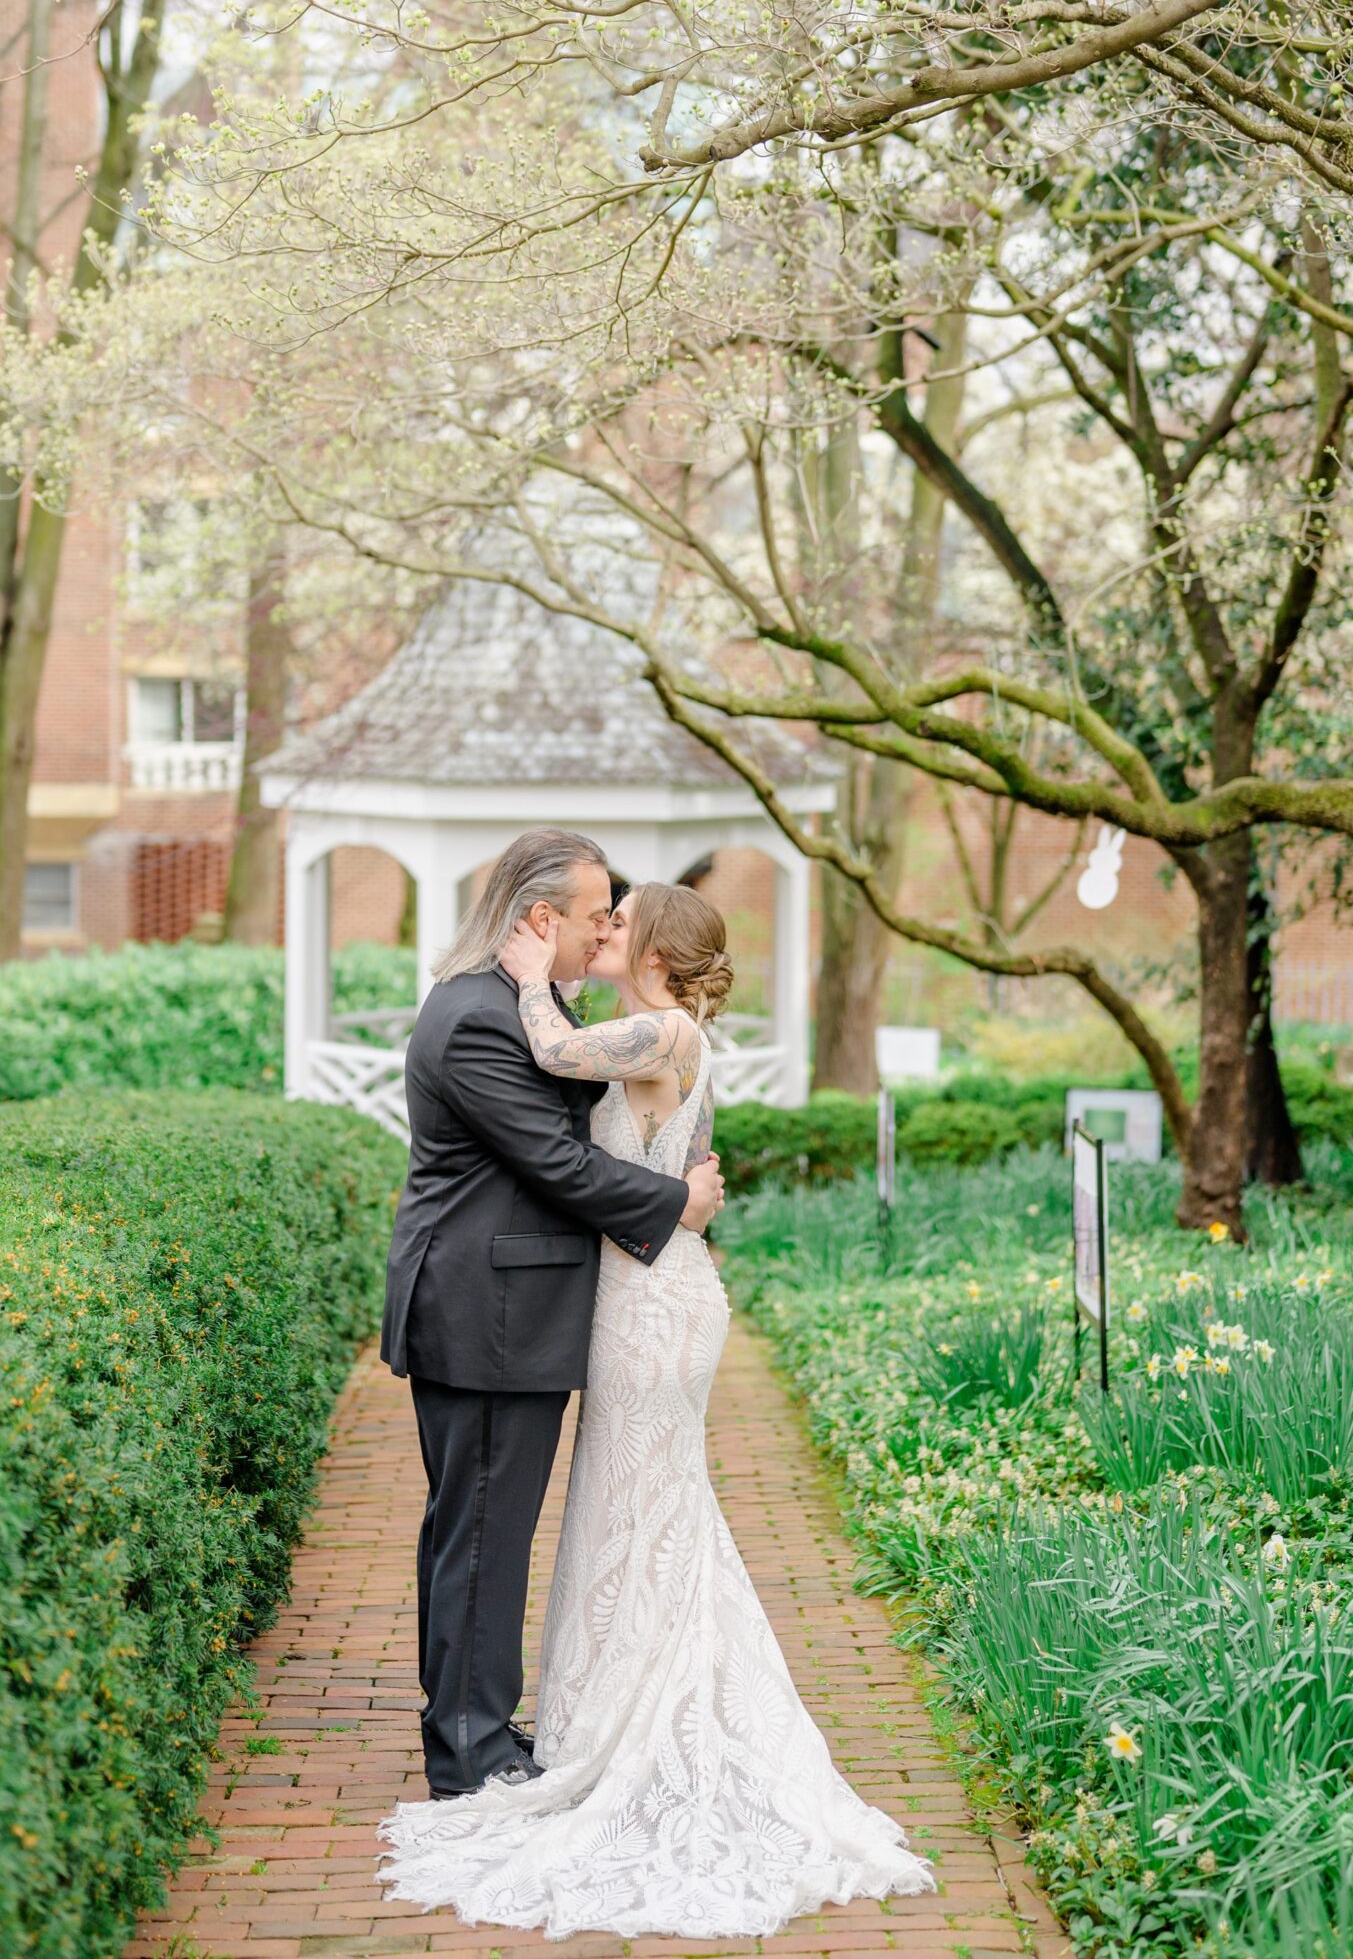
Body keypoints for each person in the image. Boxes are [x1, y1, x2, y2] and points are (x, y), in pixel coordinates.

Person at [380, 880, 932, 1939]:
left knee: (644, 1505)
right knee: (629, 1505)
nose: (604, 928)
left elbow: (544, 1052)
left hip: (653, 1303)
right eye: (599, 912)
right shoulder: (651, 1028)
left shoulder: (658, 1027)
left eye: (618, 920)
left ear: (657, 948)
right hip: (641, 1288)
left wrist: (534, 977)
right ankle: (606, 1709)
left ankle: (637, 1718)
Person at [381, 829, 725, 1803]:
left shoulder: (517, 1005)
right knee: (482, 1532)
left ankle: (475, 1721)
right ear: (539, 917)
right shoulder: (482, 1016)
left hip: (504, 1308)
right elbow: (555, 1161)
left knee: (477, 1529)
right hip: (484, 1314)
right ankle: (471, 1748)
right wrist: (675, 1205)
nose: (595, 933)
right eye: (587, 916)